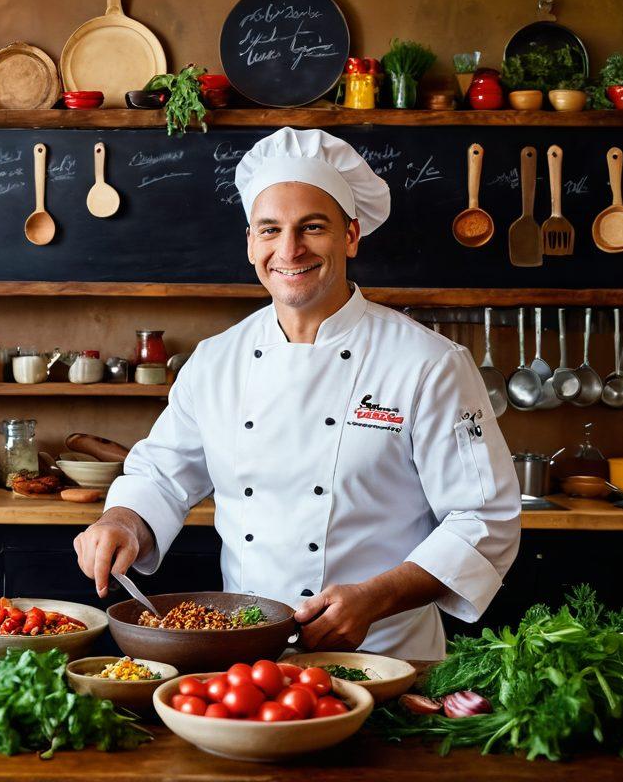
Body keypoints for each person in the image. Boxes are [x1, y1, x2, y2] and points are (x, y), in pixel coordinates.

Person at [72, 127, 520, 659]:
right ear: (250, 244)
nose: (289, 249)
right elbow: (161, 477)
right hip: (243, 659)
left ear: (351, 236)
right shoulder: (216, 361)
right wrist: (122, 520)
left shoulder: (428, 363)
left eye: (312, 227)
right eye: (270, 230)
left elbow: (484, 518)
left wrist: (377, 598)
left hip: (386, 661)